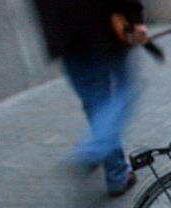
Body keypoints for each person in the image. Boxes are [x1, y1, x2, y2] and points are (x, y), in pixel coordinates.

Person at [34, 0, 148, 196]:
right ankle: (96, 149)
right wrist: (135, 19)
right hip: (103, 27)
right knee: (126, 90)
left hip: (65, 36)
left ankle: (113, 168)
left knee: (97, 103)